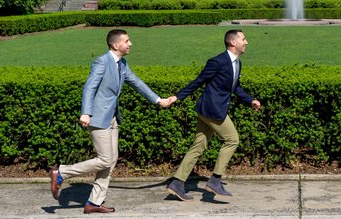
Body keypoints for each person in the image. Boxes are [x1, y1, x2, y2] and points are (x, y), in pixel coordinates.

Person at [49, 29, 174, 214]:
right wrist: (85, 112)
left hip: (112, 118)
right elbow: (89, 86)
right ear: (116, 45)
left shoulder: (122, 64)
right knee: (105, 159)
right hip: (98, 117)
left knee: (111, 160)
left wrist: (158, 100)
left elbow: (137, 83)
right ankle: (62, 173)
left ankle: (94, 202)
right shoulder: (102, 61)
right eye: (127, 41)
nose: (130, 44)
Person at [165, 28, 261, 201]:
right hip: (212, 110)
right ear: (233, 42)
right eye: (244, 39)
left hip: (207, 110)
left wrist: (250, 100)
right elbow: (199, 81)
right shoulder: (217, 61)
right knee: (232, 140)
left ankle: (177, 183)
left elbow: (235, 87)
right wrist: (177, 97)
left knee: (199, 145)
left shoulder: (238, 63)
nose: (246, 42)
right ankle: (215, 180)